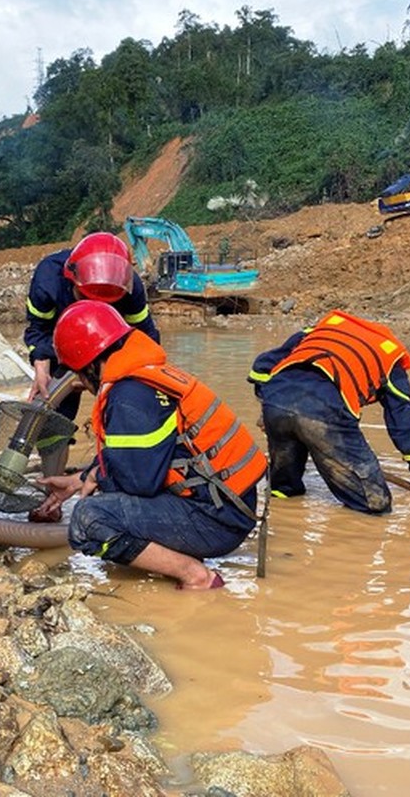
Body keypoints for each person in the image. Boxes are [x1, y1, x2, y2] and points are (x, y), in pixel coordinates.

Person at [37, 301, 267, 590]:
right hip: (227, 506)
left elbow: (138, 483)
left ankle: (195, 575)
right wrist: (78, 480)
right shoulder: (144, 376)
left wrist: (97, 481)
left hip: (217, 520)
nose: (81, 383)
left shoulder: (128, 395)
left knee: (89, 520)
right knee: (110, 511)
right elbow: (140, 457)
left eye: (79, 373)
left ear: (90, 365)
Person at [248, 309, 410, 514]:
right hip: (324, 412)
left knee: (283, 490)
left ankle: (282, 516)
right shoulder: (389, 360)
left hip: (276, 399)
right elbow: (406, 430)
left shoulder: (318, 331)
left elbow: (261, 367)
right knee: (375, 505)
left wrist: (267, 411)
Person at [24, 232, 160, 420]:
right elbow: (38, 329)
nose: (92, 310)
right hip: (60, 346)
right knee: (51, 415)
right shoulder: (49, 281)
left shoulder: (127, 286)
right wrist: (41, 362)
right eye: (85, 298)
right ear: (71, 280)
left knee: (130, 407)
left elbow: (146, 339)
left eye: (104, 304)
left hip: (111, 342)